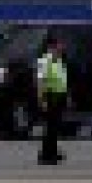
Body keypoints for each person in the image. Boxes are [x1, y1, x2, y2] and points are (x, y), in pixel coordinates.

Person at [36, 34, 69, 165]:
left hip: (59, 96)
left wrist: (66, 96)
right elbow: (41, 81)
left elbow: (62, 79)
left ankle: (53, 151)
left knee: (55, 126)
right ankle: (46, 155)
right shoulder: (45, 61)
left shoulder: (59, 60)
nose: (62, 46)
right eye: (60, 44)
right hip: (50, 96)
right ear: (52, 46)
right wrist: (42, 98)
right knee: (50, 127)